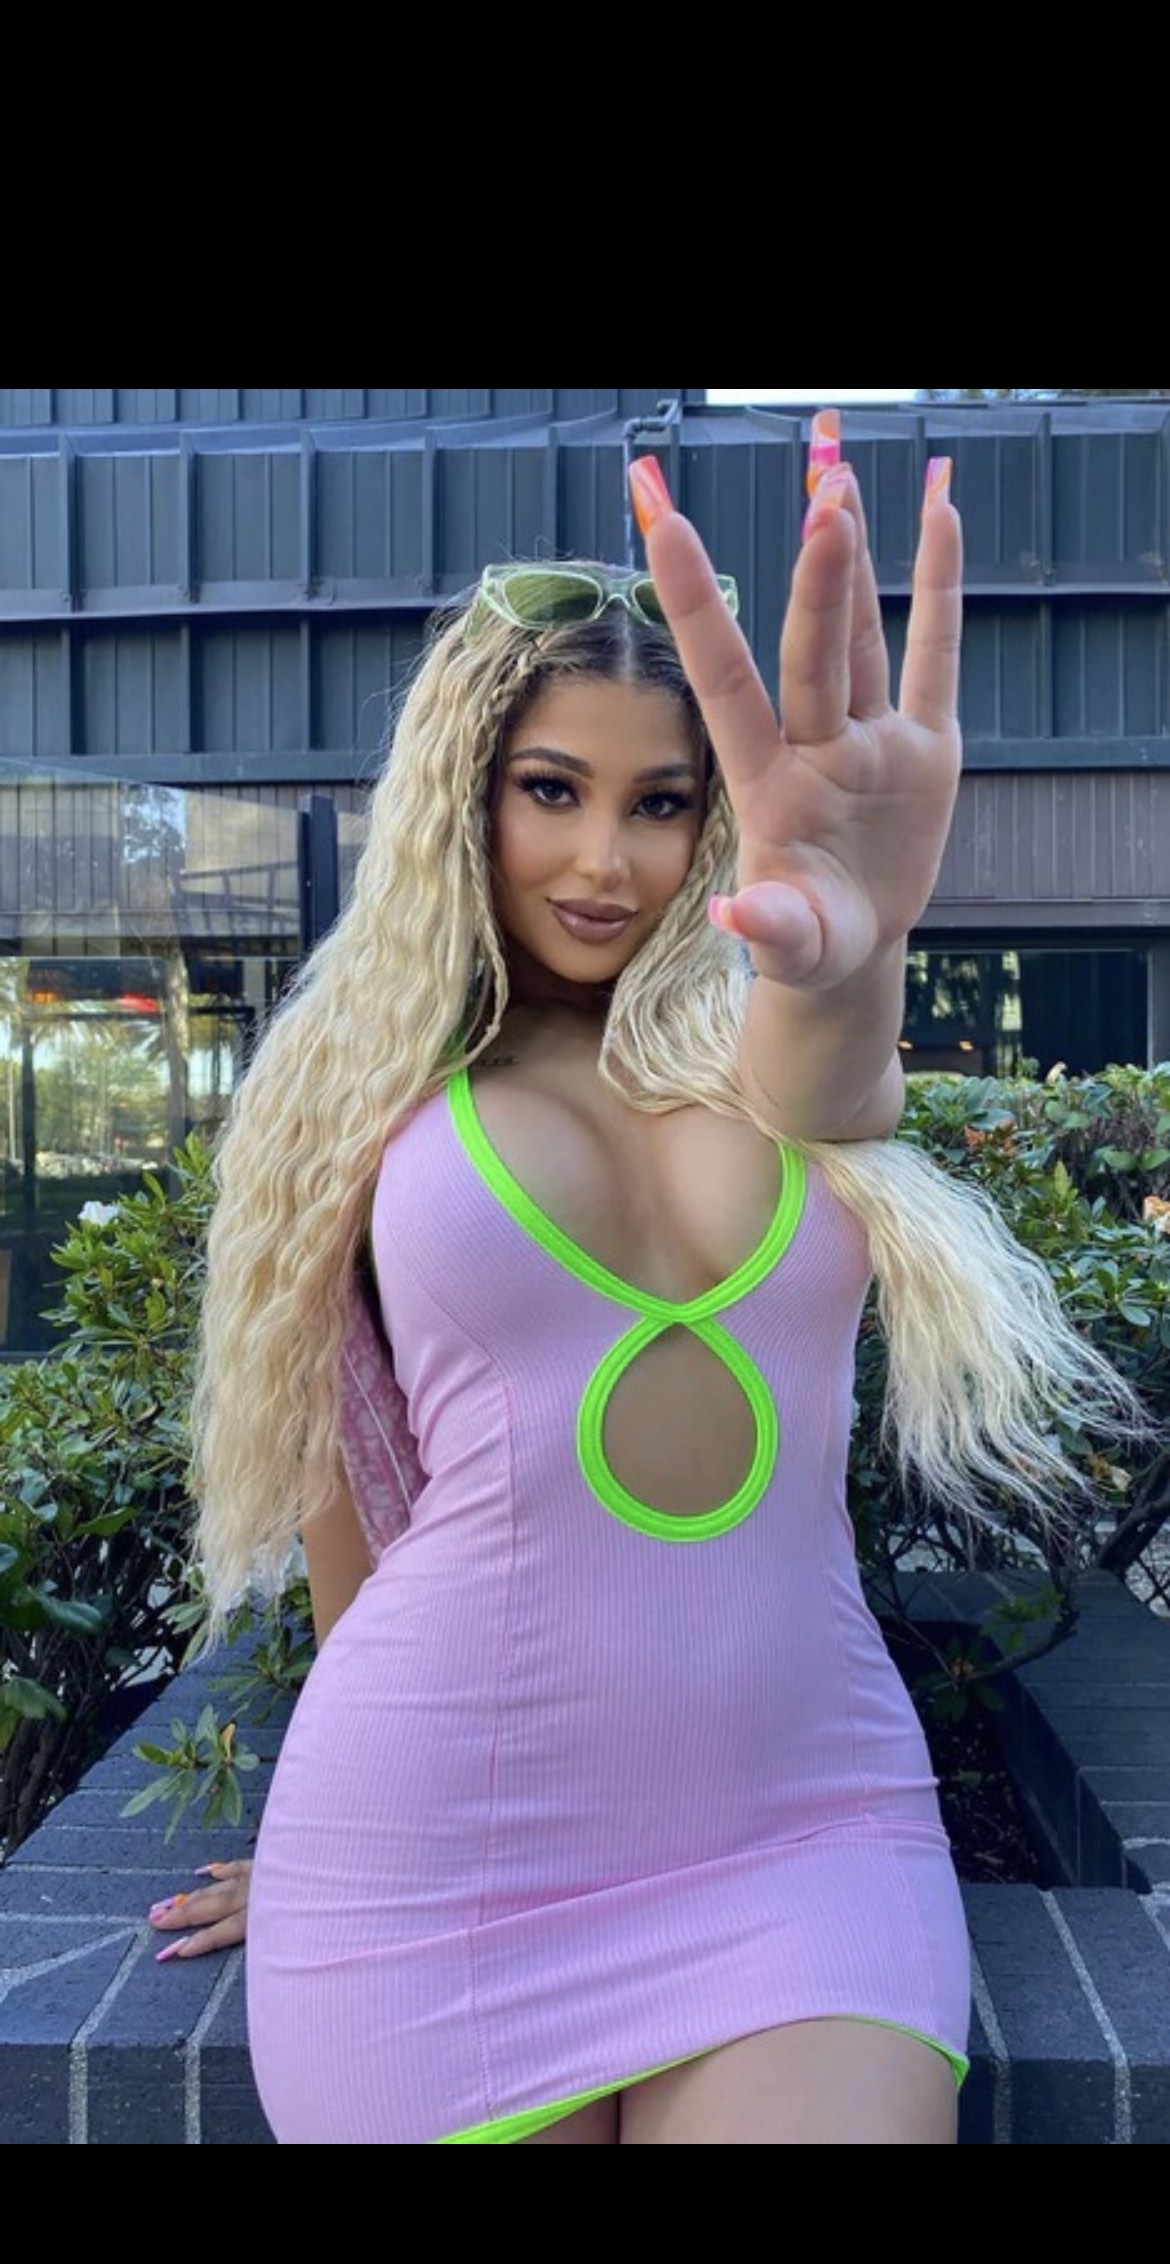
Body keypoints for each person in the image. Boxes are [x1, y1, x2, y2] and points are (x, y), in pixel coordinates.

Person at [153, 418, 1138, 2143]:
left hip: (804, 1838)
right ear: (464, 794)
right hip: (435, 1845)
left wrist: (857, 949)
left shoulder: (755, 1036)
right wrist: (315, 1842)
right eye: (552, 789)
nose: (604, 862)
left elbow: (836, 1076)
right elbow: (339, 1487)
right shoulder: (349, 1093)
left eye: (660, 803)